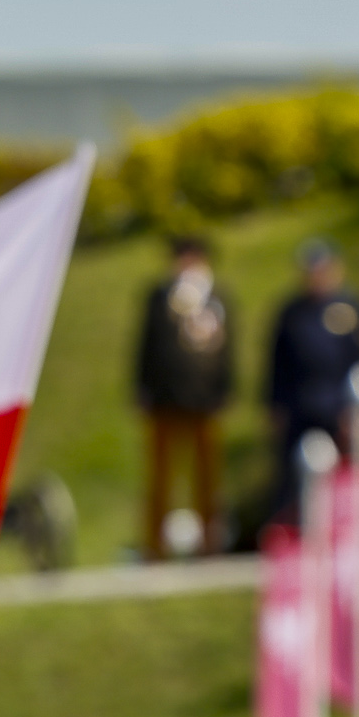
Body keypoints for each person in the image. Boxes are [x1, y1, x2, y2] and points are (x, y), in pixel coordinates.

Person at [134, 235, 233, 557]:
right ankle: (155, 548)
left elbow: (227, 351)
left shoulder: (218, 298)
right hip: (165, 399)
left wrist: (223, 390)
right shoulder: (160, 297)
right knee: (160, 479)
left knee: (207, 480)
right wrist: (143, 389)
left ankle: (210, 544)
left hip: (204, 400)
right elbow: (146, 345)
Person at [266, 238, 359, 521]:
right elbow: (277, 363)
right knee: (293, 478)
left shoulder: (350, 309)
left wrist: (356, 409)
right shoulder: (291, 312)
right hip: (299, 406)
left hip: (339, 406)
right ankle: (294, 533)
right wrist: (276, 405)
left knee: (344, 475)